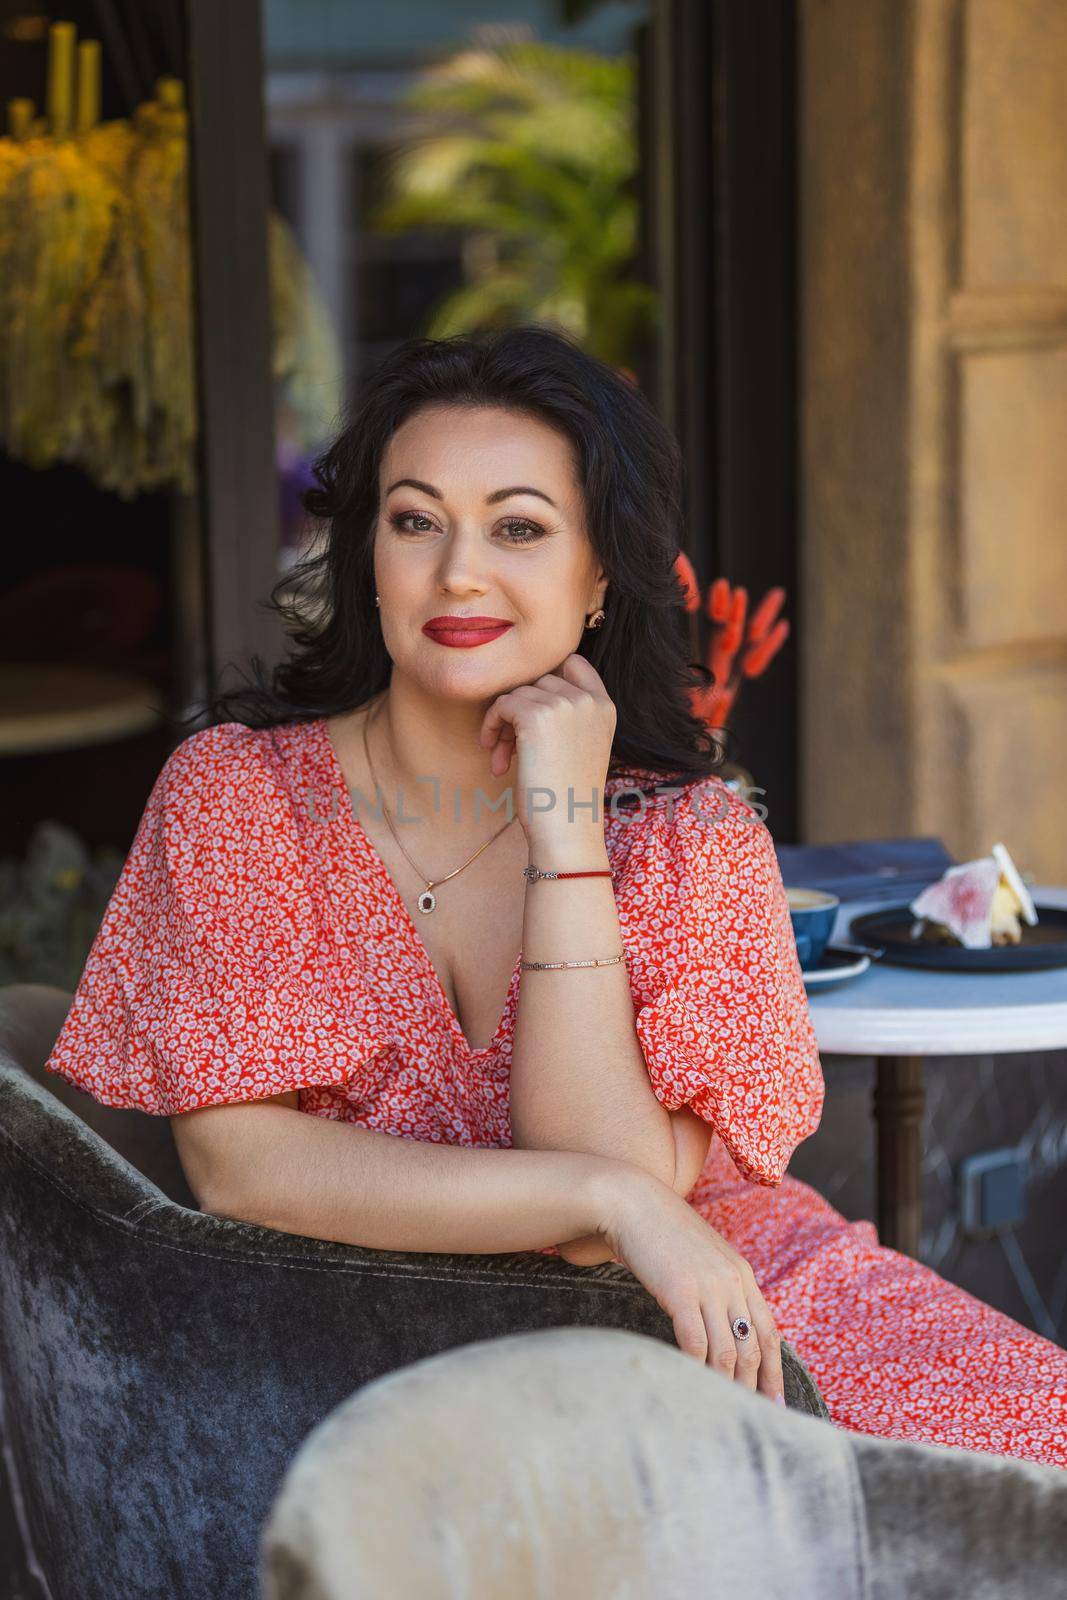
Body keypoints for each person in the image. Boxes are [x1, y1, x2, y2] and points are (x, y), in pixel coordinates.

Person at [45, 325, 1067, 1468]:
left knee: (1029, 1466)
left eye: (518, 527)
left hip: (732, 1307)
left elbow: (620, 1200)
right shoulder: (239, 796)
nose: (458, 572)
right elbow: (245, 1169)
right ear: (367, 559)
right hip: (386, 1350)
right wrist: (608, 1198)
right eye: (414, 520)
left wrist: (566, 834)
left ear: (597, 578)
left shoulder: (695, 837)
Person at [259, 1327, 1067, 1600]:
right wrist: (617, 1201)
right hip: (299, 1317)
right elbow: (241, 1171)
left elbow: (606, 1144)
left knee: (1034, 1409)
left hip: (718, 1235)